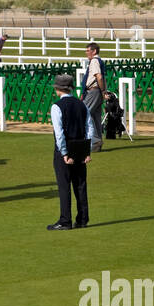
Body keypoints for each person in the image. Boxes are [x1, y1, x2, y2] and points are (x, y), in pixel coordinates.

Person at [48, 73, 93, 230]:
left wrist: (64, 153)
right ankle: (82, 219)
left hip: (65, 149)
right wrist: (87, 152)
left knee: (64, 185)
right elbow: (90, 129)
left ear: (58, 89)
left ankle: (65, 220)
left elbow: (59, 133)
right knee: (80, 185)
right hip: (80, 147)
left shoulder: (57, 106)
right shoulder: (82, 105)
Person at [82, 43, 106, 153]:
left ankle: (95, 141)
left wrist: (102, 91)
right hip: (96, 91)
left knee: (84, 114)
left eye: (88, 50)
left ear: (94, 51)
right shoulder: (99, 61)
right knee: (95, 117)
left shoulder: (95, 61)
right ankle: (97, 143)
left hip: (94, 90)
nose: (86, 53)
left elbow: (99, 76)